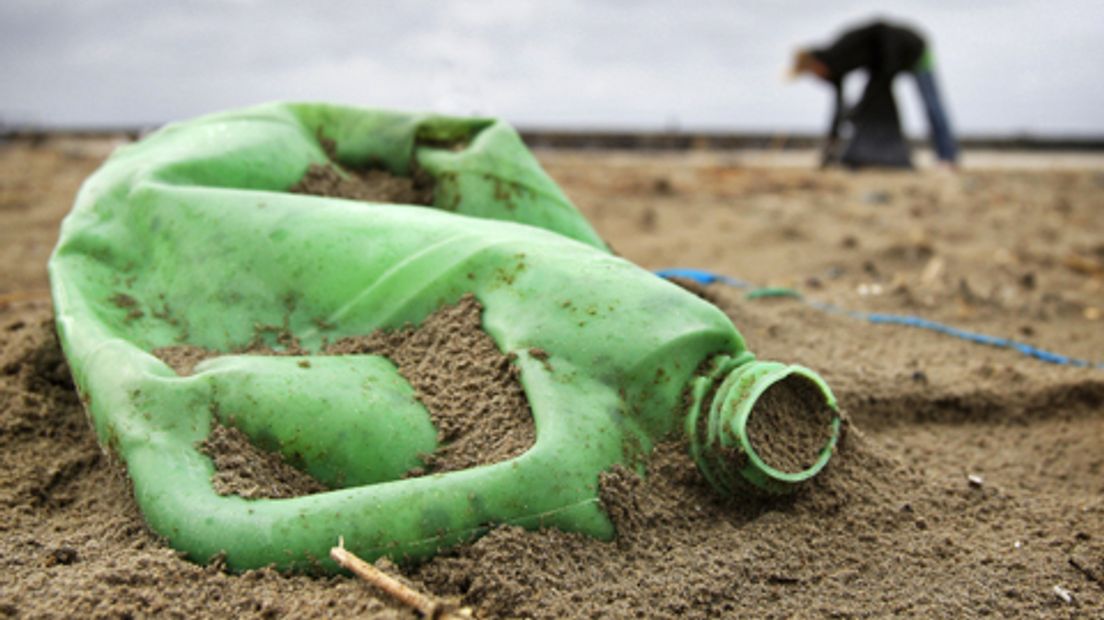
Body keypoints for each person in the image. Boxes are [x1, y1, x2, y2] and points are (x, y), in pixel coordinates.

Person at [792, 20, 959, 169]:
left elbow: (881, 28)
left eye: (812, 73)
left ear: (815, 64)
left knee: (931, 105)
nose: (816, 78)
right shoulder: (835, 71)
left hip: (915, 50)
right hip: (889, 64)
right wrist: (832, 142)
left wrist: (887, 70)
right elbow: (839, 106)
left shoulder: (842, 47)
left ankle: (947, 156)